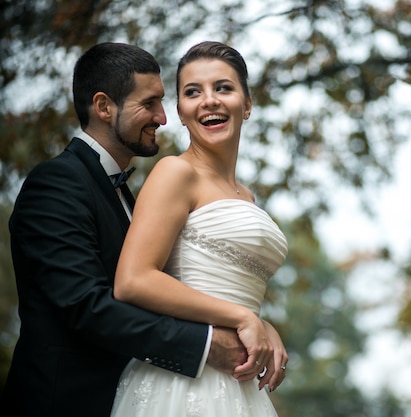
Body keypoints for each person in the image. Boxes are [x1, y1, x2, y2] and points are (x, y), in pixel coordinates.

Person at [1, 42, 254, 417]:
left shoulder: (125, 194)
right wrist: (204, 344)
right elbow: (86, 305)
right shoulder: (56, 182)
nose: (163, 118)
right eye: (149, 103)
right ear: (104, 107)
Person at [109, 41, 289, 417]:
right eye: (193, 92)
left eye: (223, 87)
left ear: (248, 103)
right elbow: (133, 280)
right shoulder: (176, 173)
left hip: (239, 384)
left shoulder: (247, 195)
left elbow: (224, 286)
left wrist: (262, 323)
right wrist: (244, 318)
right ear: (181, 111)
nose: (209, 100)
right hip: (180, 381)